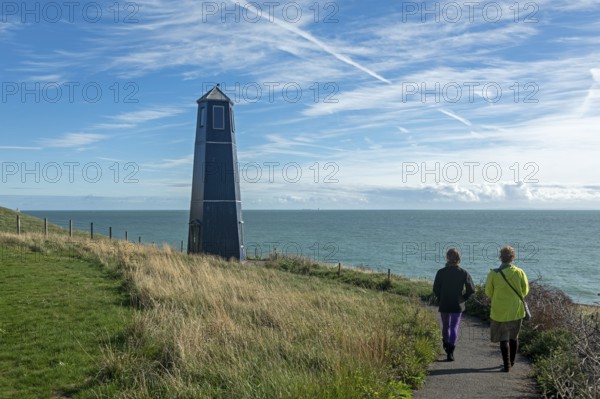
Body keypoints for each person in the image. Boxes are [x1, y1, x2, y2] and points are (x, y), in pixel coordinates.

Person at [485, 245, 529, 372]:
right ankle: (512, 362)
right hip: (516, 309)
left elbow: (488, 291)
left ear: (501, 258)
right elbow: (525, 290)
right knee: (514, 337)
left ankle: (506, 365)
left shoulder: (493, 273)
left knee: (503, 338)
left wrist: (497, 297)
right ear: (513, 258)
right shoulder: (519, 272)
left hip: (499, 309)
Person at [433, 248, 475, 361]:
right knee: (454, 326)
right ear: (458, 258)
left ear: (447, 257)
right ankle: (451, 350)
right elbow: (471, 289)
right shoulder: (463, 272)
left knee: (445, 325)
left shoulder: (441, 272)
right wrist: (463, 298)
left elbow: (435, 289)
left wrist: (440, 297)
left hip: (445, 302)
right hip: (457, 304)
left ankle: (446, 344)